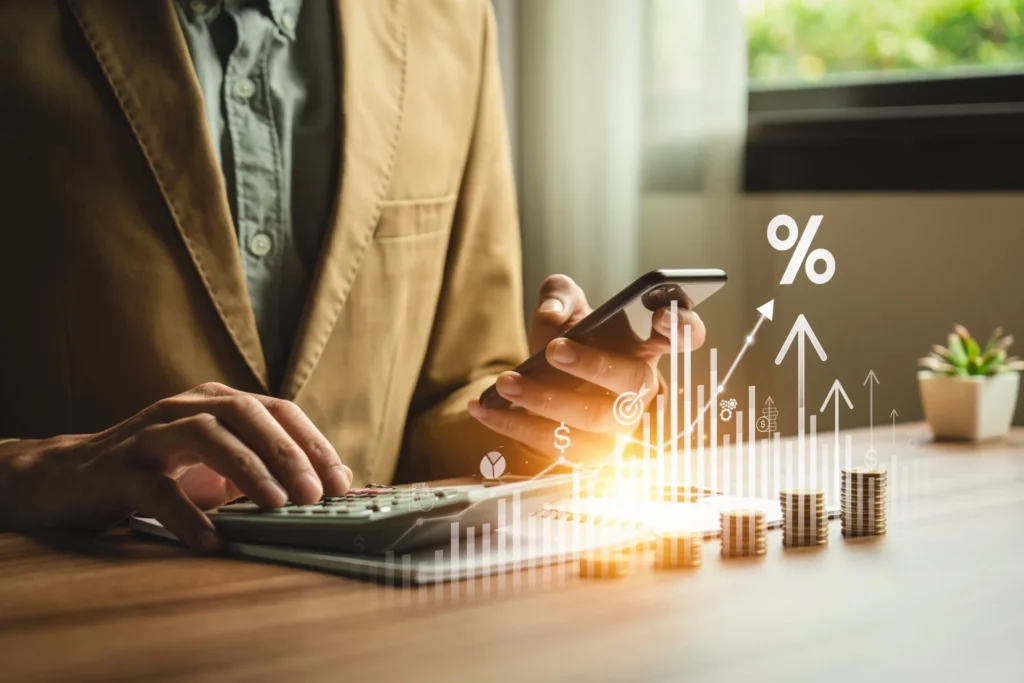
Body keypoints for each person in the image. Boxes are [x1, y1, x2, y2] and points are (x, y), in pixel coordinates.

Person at [0, 0, 704, 550]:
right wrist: (35, 470)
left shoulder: (453, 23)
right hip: (71, 617)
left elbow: (449, 399)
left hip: (376, 633)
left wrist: (550, 418)